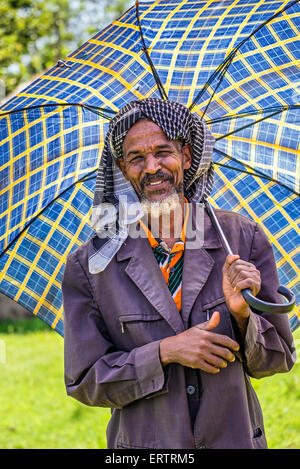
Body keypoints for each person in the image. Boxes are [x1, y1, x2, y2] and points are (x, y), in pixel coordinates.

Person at [62, 98, 295, 449]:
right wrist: (165, 352)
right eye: (137, 158)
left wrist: (244, 316)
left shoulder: (242, 238)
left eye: (163, 151)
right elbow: (85, 381)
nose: (152, 166)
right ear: (123, 169)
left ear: (187, 157)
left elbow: (277, 358)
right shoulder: (93, 265)